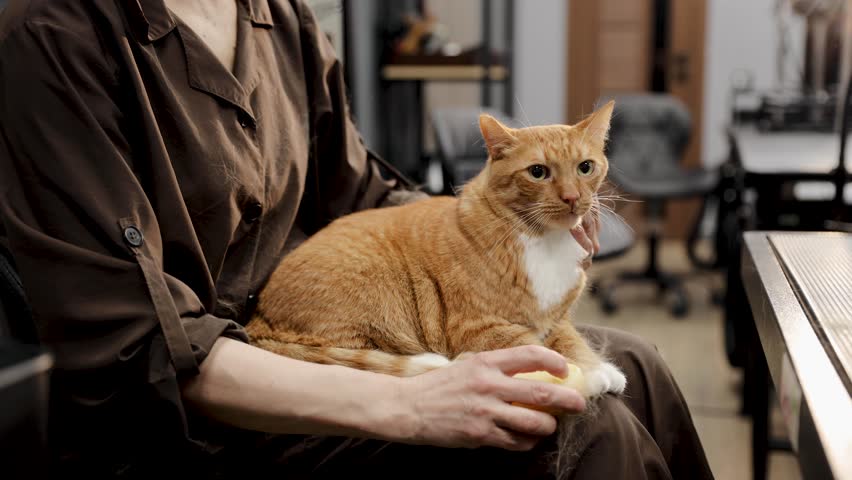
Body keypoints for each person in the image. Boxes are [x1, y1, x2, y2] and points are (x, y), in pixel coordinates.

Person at [0, 0, 714, 478]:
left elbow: (361, 191)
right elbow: (137, 346)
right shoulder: (52, 39)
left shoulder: (279, 17)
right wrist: (410, 403)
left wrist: (502, 226)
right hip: (205, 415)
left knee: (638, 363)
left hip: (341, 336)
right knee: (587, 428)